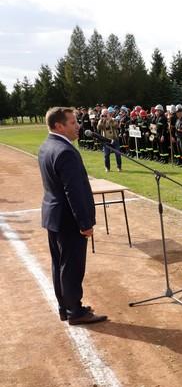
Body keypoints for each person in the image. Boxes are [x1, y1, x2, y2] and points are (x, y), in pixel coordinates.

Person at [39, 107, 107, 325]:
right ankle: (75, 312)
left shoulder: (46, 146)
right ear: (59, 126)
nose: (78, 126)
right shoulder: (65, 151)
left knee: (59, 264)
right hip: (69, 220)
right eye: (73, 122)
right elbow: (73, 191)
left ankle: (66, 308)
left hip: (54, 216)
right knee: (72, 267)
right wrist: (85, 223)